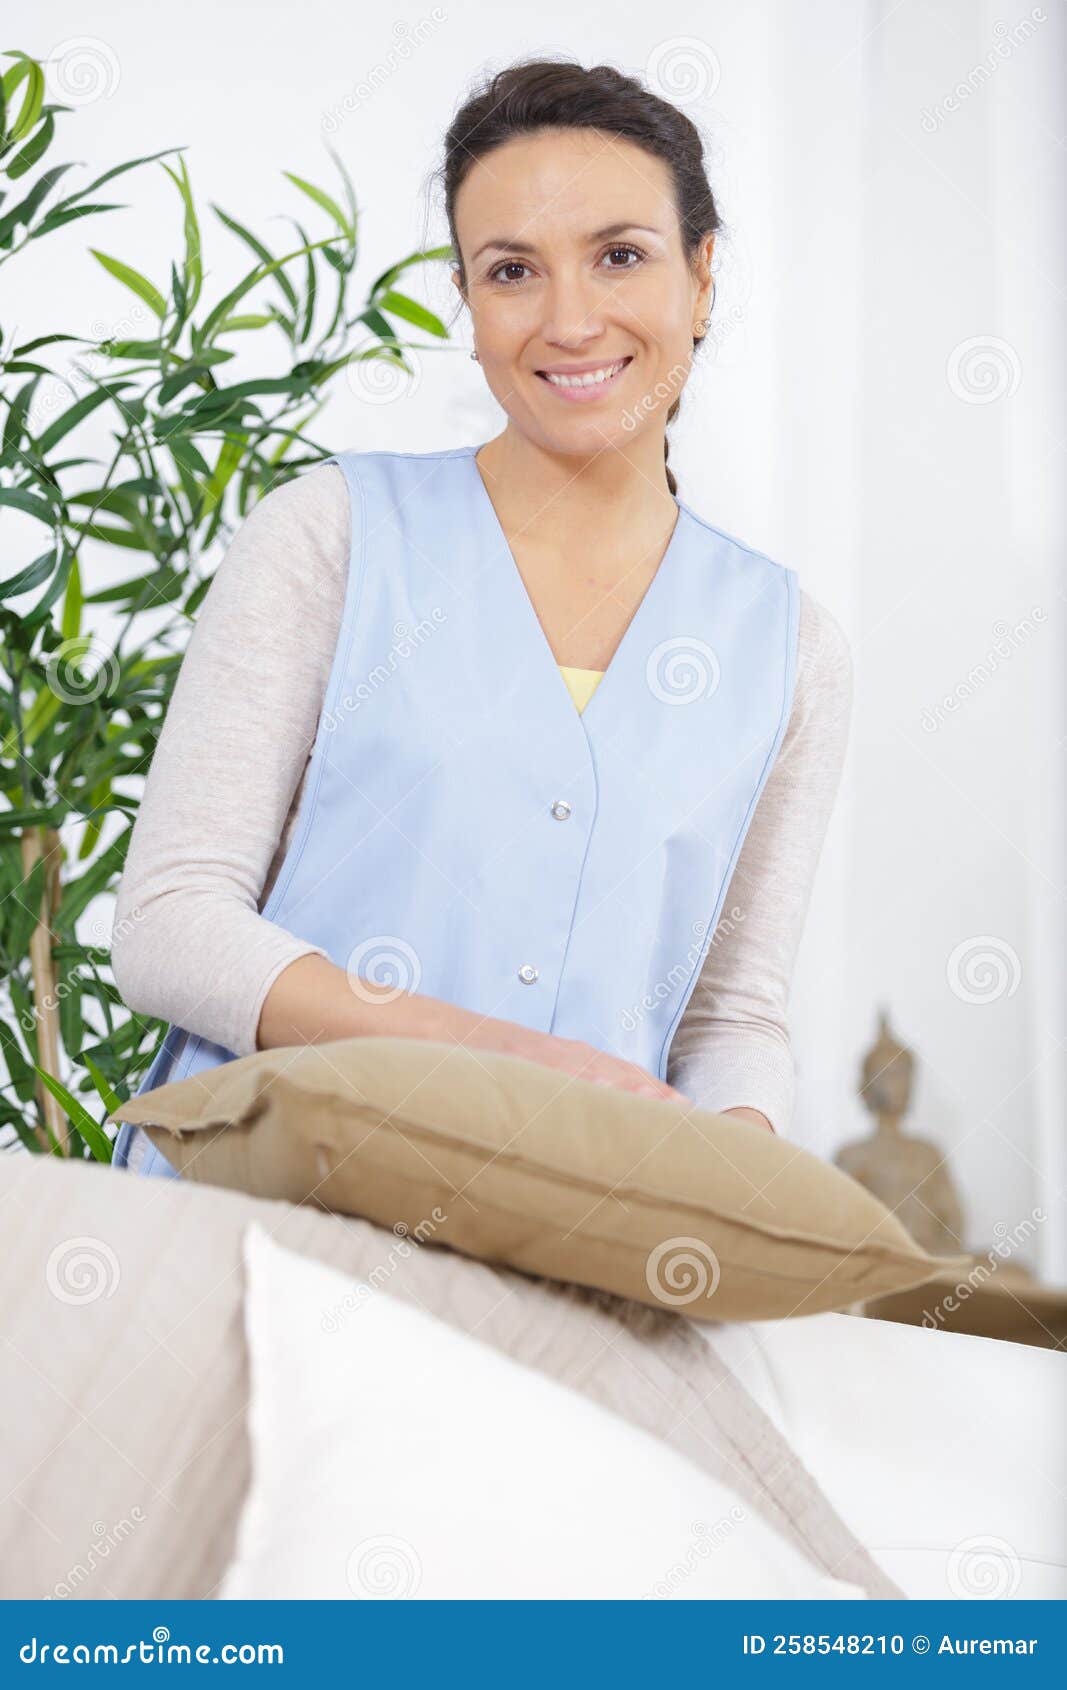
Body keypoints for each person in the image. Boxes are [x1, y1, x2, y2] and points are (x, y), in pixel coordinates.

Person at [110, 57, 852, 1178]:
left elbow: (728, 1020)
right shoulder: (332, 537)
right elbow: (170, 924)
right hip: (264, 1215)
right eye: (512, 270)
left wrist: (731, 1175)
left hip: (574, 1256)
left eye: (619, 256)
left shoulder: (788, 650)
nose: (568, 319)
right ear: (467, 304)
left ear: (701, 280)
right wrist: (493, 1061)